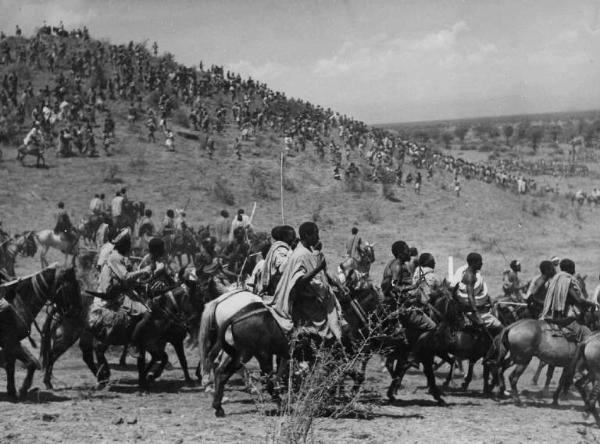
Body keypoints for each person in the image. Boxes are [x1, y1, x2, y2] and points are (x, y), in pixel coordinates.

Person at [270, 221, 346, 341]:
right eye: (316, 234)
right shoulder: (301, 255)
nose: (318, 238)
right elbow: (299, 283)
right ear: (306, 235)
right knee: (329, 334)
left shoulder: (306, 252)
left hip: (313, 299)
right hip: (307, 305)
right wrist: (317, 269)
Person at [540, 258, 595, 342]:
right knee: (586, 334)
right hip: (564, 316)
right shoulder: (567, 281)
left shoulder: (554, 280)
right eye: (573, 268)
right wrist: (591, 304)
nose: (574, 271)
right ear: (569, 269)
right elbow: (578, 300)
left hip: (550, 313)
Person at [452, 252, 502, 335]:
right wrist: (477, 315)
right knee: (501, 328)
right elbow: (470, 297)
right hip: (477, 313)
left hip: (480, 309)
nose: (482, 263)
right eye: (480, 261)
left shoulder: (474, 273)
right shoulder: (470, 276)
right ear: (474, 263)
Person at [260, 225, 296, 296]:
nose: (294, 238)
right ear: (284, 237)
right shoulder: (280, 250)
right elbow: (282, 269)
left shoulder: (284, 247)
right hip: (276, 287)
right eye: (292, 236)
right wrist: (292, 250)